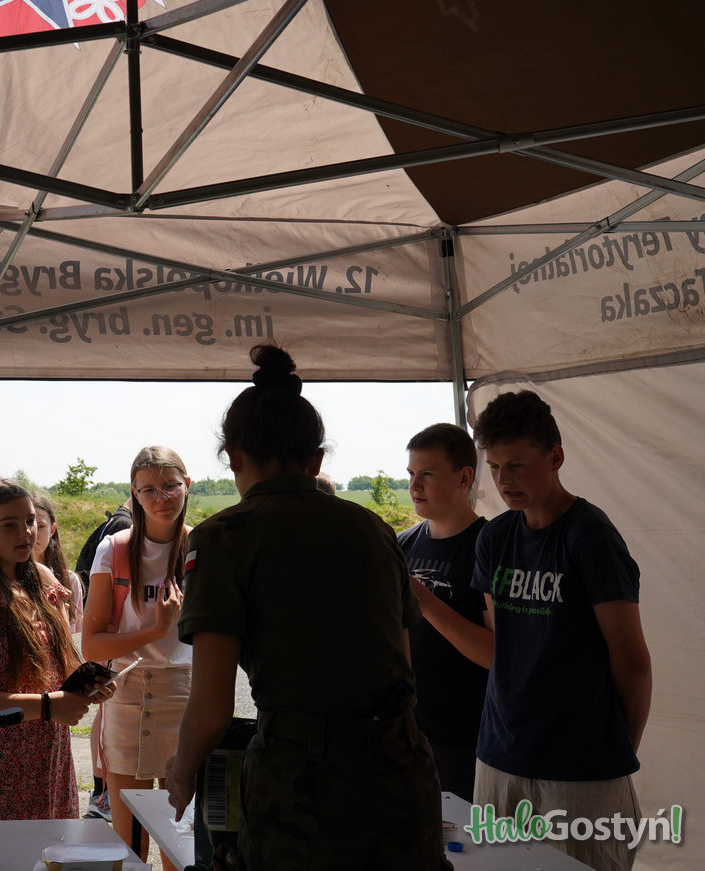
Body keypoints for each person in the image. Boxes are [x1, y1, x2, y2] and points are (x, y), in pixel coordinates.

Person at [166, 344, 448, 869]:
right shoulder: (373, 528)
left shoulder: (223, 537)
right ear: (316, 460)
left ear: (232, 456)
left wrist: (181, 772)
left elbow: (211, 709)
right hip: (402, 774)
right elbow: (402, 665)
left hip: (300, 787)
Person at [471, 390, 652, 871]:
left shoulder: (590, 536)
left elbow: (632, 660)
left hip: (580, 765)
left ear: (555, 457)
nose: (503, 480)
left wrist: (616, 754)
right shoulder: (494, 538)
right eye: (495, 467)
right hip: (499, 754)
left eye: (517, 465)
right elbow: (504, 642)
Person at [0, 478, 109, 821]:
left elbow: (61, 662)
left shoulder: (44, 579)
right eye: (9, 524)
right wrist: (47, 706)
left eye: (30, 521)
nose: (26, 532)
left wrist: (89, 683)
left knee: (50, 847)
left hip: (49, 758)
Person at [81, 446, 193, 864]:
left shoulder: (203, 547)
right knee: (129, 838)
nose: (161, 497)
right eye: (148, 489)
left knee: (180, 835)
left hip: (184, 693)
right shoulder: (114, 548)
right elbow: (92, 645)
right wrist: (156, 630)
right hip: (126, 692)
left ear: (187, 485)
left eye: (170, 486)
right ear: (134, 494)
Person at [399, 422, 489, 801]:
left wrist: (425, 601)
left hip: (469, 741)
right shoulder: (401, 545)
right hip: (408, 735)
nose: (414, 486)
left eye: (428, 475)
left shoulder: (490, 546)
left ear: (464, 477)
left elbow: (497, 654)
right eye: (411, 474)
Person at [73, 496, 134, 823]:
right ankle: (102, 794)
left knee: (105, 712)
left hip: (109, 636)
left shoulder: (117, 521)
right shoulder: (124, 527)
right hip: (111, 637)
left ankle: (102, 794)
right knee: (106, 713)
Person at [31, 491, 82, 632]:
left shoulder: (69, 580)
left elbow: (76, 635)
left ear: (52, 529)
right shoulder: (5, 578)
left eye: (41, 526)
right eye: (28, 525)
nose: (33, 533)